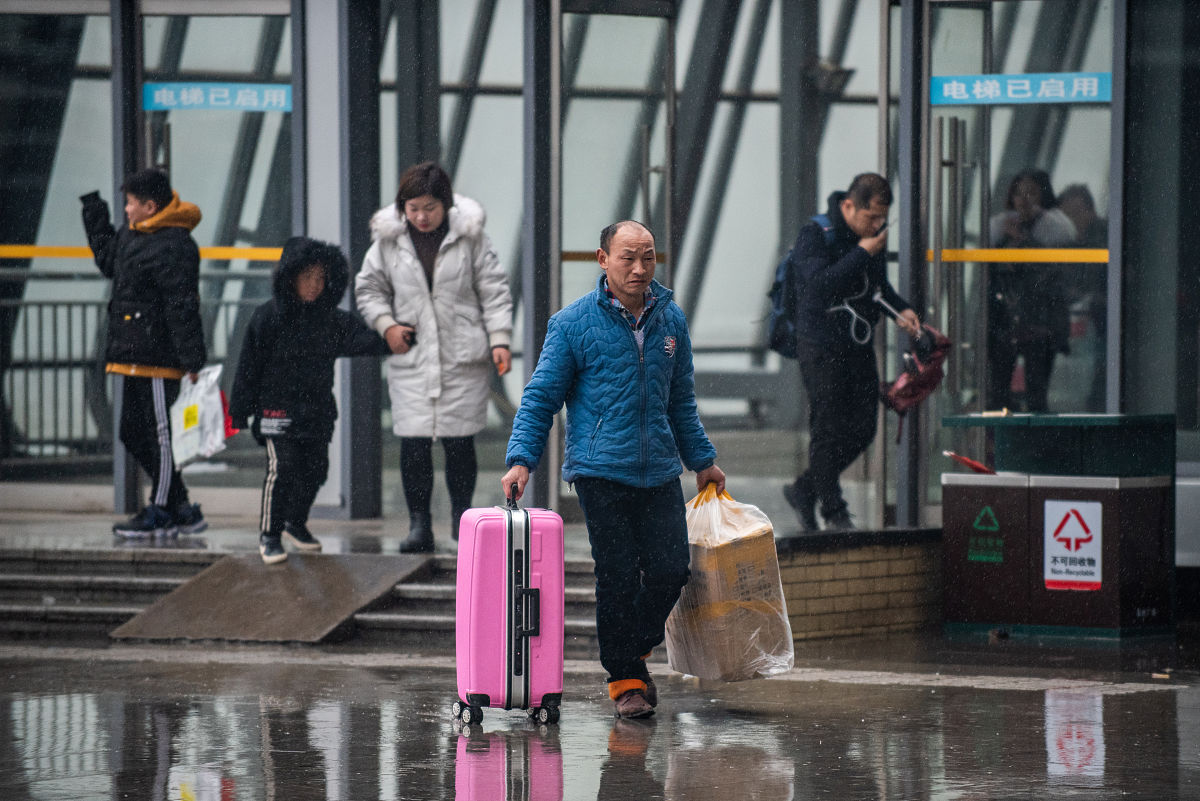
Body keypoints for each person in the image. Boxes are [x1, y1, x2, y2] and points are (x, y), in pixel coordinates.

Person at [502, 220, 726, 720]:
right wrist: (521, 459)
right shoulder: (573, 324)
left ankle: (631, 649)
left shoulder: (671, 320)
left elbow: (681, 401)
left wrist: (703, 461)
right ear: (602, 259)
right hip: (600, 471)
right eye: (628, 257)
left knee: (671, 570)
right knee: (619, 575)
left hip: (661, 471)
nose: (640, 268)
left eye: (648, 257)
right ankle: (625, 679)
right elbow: (541, 399)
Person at [356, 162, 513, 553]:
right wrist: (387, 325)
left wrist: (500, 340)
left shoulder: (471, 237)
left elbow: (493, 290)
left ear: (445, 204)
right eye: (413, 208)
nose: (421, 217)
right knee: (414, 444)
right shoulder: (388, 242)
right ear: (402, 207)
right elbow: (369, 289)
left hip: (463, 354)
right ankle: (419, 525)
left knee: (460, 443)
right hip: (413, 355)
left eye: (429, 207)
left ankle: (463, 522)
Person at [230, 237, 391, 564]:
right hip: (275, 412)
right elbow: (248, 366)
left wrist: (398, 336)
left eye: (320, 278)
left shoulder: (331, 320)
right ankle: (270, 535)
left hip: (317, 412)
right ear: (290, 277)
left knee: (317, 470)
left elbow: (366, 341)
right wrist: (240, 411)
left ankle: (295, 523)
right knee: (282, 468)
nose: (314, 286)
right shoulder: (267, 317)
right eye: (307, 278)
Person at [780, 173, 920, 533]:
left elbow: (878, 287)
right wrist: (862, 252)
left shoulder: (869, 240)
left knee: (863, 429)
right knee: (827, 428)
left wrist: (902, 309)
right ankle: (834, 510)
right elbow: (819, 285)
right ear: (848, 206)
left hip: (857, 345)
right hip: (820, 344)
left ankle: (804, 488)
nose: (875, 225)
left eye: (881, 219)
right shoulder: (817, 233)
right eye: (869, 217)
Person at [79, 168, 208, 538]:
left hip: (157, 357)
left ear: (151, 206)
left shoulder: (175, 245)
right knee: (131, 432)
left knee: (158, 435)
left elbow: (182, 306)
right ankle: (182, 507)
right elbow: (108, 263)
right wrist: (95, 214)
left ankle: (162, 509)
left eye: (131, 204)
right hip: (132, 353)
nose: (128, 211)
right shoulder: (133, 235)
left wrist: (192, 361)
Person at [987, 169, 1076, 412]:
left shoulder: (1054, 229)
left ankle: (1038, 446)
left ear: (1043, 196)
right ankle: (1003, 445)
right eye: (1018, 192)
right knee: (999, 394)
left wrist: (1024, 242)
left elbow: (1051, 274)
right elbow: (993, 275)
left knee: (1037, 394)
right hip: (1006, 322)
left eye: (1031, 193)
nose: (1023, 199)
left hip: (1040, 323)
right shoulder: (1001, 231)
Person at [1058, 183, 1109, 411]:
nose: (1072, 220)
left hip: (1104, 320)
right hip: (1090, 322)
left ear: (1090, 210)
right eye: (1067, 215)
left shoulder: (1106, 237)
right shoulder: (1070, 243)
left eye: (1076, 213)